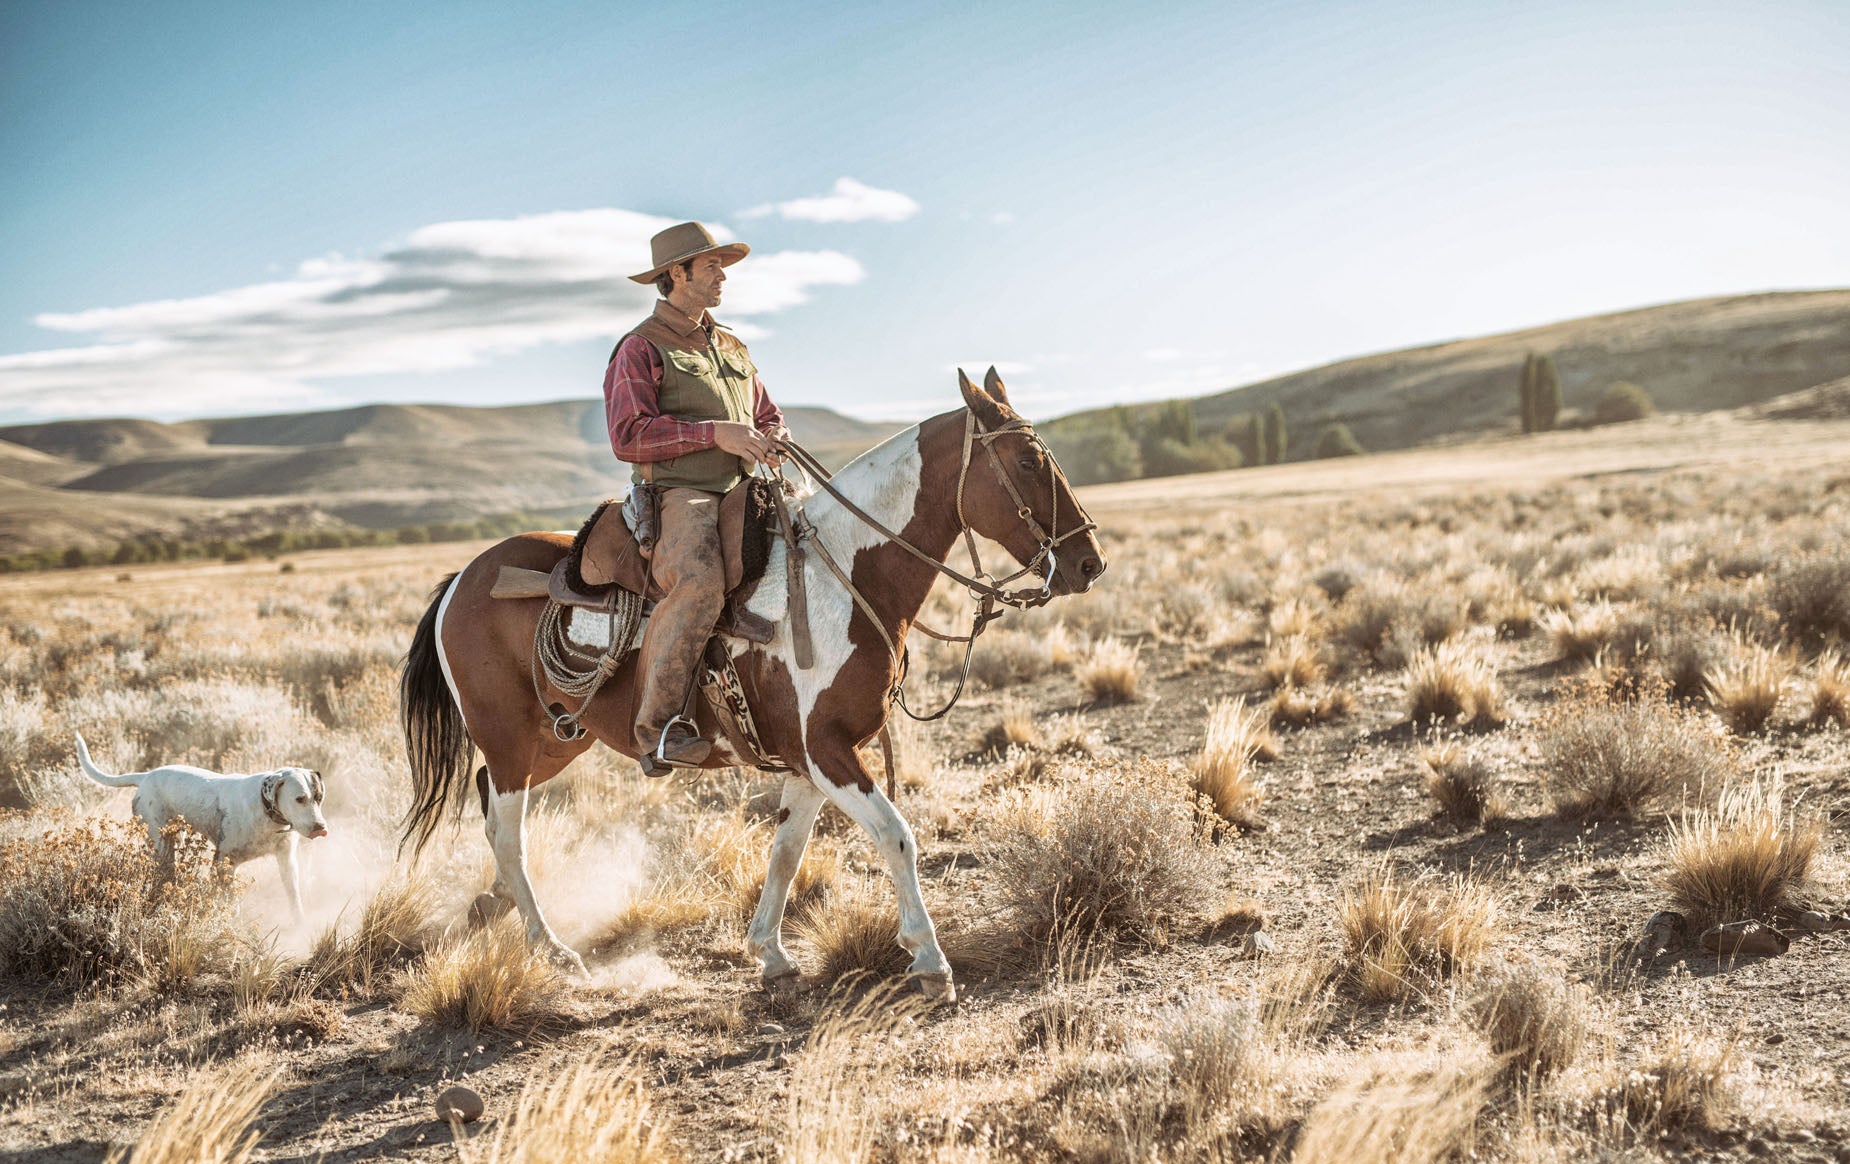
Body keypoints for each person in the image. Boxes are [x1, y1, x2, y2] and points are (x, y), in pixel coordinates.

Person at [604, 222, 788, 776]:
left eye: (720, 265)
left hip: (745, 486)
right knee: (700, 581)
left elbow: (766, 412)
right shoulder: (640, 347)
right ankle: (657, 731)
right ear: (676, 274)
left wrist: (774, 436)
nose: (722, 275)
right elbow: (627, 435)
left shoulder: (732, 343)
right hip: (680, 494)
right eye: (710, 266)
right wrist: (714, 434)